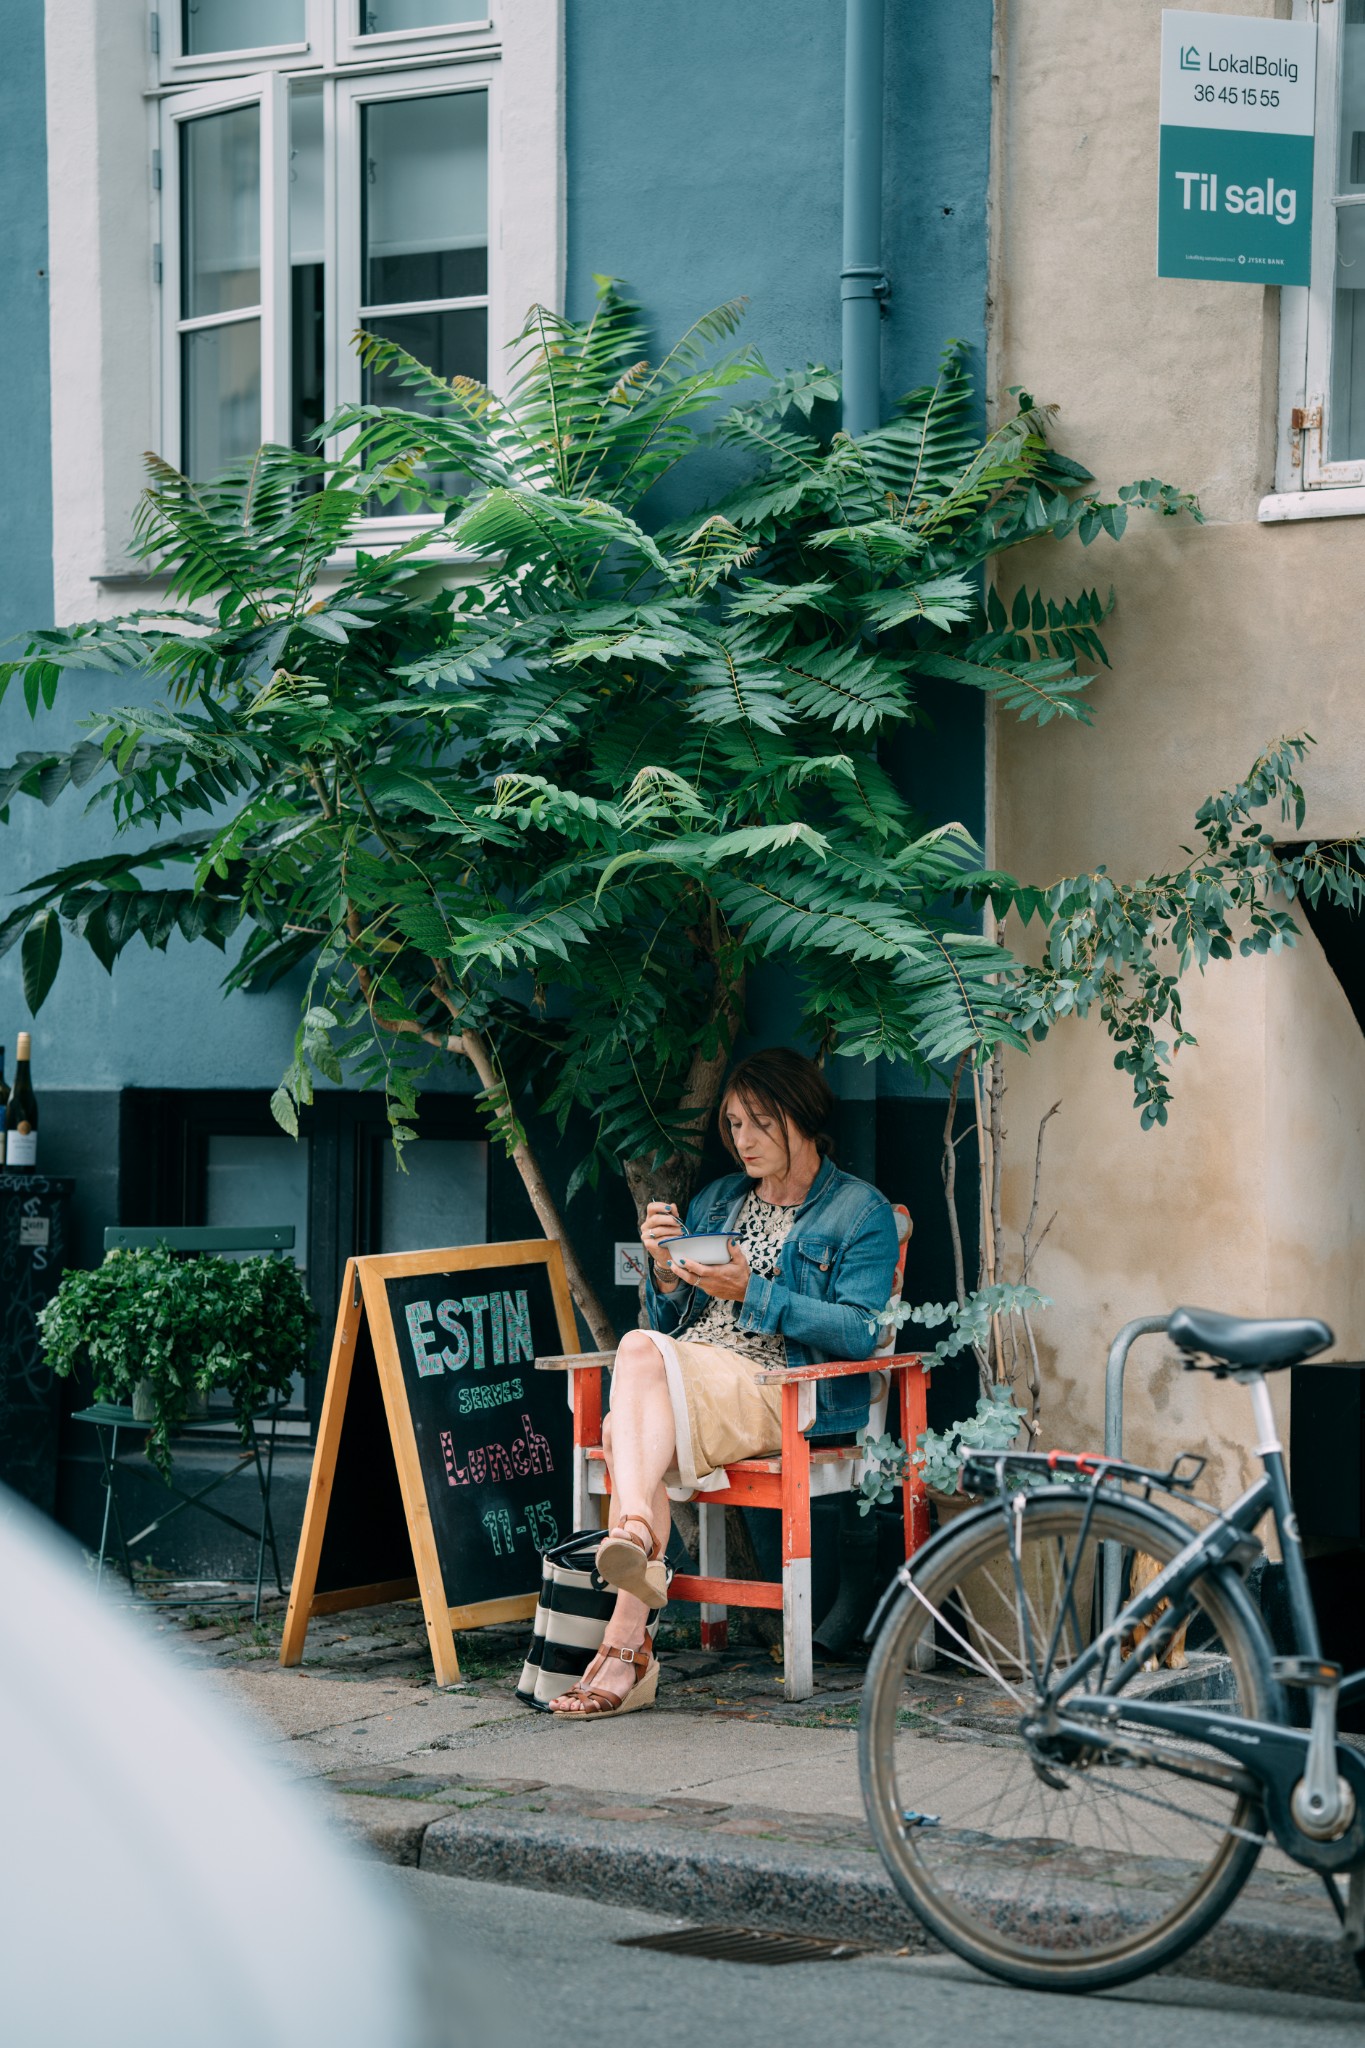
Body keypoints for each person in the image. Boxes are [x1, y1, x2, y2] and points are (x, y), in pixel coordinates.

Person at [549, 1046, 899, 1719]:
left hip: (779, 1389)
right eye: (734, 1125)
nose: (744, 1141)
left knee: (632, 1390)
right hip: (692, 1379)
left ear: (803, 1117)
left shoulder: (858, 1212)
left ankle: (630, 1556)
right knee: (633, 1407)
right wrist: (663, 1272)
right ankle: (627, 1631)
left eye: (760, 1123)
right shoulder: (719, 1198)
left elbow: (860, 1332)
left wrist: (755, 1291)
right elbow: (674, 1321)